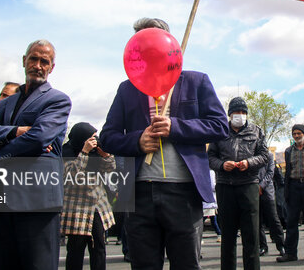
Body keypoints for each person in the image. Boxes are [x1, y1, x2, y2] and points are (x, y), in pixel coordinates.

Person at [99, 17, 228, 270]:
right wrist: (137, 140)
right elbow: (108, 136)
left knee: (187, 264)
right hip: (138, 193)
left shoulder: (196, 81)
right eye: (141, 41)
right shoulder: (127, 89)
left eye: (153, 39)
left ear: (169, 44)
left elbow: (219, 126)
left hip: (184, 193)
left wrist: (176, 127)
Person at [0, 39, 72, 270]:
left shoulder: (57, 100)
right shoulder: (6, 104)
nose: (38, 65)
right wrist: (16, 131)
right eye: (34, 59)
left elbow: (39, 138)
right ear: (24, 60)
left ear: (51, 67)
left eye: (44, 61)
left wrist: (2, 149)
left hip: (37, 200)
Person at [208, 96, 269, 270]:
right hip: (225, 186)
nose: (240, 115)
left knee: (251, 237)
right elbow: (210, 156)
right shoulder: (219, 131)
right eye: (236, 112)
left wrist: (249, 163)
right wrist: (221, 165)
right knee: (228, 237)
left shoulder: (256, 131)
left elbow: (265, 156)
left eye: (243, 112)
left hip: (248, 185)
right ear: (229, 114)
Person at [61, 122, 116, 270]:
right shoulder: (67, 153)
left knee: (99, 247)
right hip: (77, 208)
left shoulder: (96, 153)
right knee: (75, 250)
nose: (94, 140)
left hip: (97, 206)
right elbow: (71, 176)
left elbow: (110, 170)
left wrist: (106, 156)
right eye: (91, 138)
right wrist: (84, 153)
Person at [277, 124, 304, 263]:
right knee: (291, 221)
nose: (296, 136)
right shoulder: (289, 150)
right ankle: (290, 253)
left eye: (299, 133)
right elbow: (288, 171)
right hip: (294, 186)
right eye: (294, 133)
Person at [257, 152, 285, 257]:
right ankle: (262, 246)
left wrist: (261, 185)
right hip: (253, 190)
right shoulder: (250, 153)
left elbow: (270, 172)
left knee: (274, 219)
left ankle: (281, 245)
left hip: (267, 191)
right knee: (257, 221)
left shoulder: (268, 155)